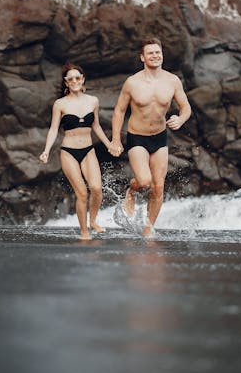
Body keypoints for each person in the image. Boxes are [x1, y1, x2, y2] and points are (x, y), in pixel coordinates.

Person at [111, 38, 191, 238]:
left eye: (158, 52)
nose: (155, 56)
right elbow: (119, 111)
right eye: (150, 53)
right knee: (144, 181)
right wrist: (115, 139)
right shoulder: (132, 82)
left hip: (160, 137)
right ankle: (132, 189)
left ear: (161, 54)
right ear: (142, 57)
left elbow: (186, 107)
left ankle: (148, 228)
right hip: (137, 137)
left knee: (159, 185)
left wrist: (181, 119)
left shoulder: (172, 81)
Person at [39, 63, 116, 240]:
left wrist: (109, 144)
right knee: (82, 193)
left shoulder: (93, 101)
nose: (74, 81)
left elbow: (96, 125)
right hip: (69, 152)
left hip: (88, 150)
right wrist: (46, 150)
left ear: (82, 79)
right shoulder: (60, 104)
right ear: (66, 83)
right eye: (70, 79)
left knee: (97, 189)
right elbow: (53, 129)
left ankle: (94, 220)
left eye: (77, 78)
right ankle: (84, 232)